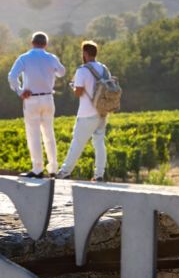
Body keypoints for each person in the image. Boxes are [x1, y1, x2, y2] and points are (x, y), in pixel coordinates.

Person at [8, 31, 66, 178]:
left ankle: (37, 169)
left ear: (32, 43)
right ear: (45, 44)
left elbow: (12, 76)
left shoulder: (24, 58)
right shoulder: (51, 58)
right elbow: (62, 72)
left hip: (31, 99)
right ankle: (53, 168)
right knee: (49, 133)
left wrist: (20, 91)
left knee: (33, 134)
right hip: (47, 98)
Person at [56, 41, 111, 182]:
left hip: (87, 113)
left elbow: (78, 92)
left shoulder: (82, 70)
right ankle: (99, 174)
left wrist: (74, 87)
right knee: (99, 143)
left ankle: (65, 171)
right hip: (102, 111)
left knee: (77, 143)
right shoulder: (104, 69)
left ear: (85, 54)